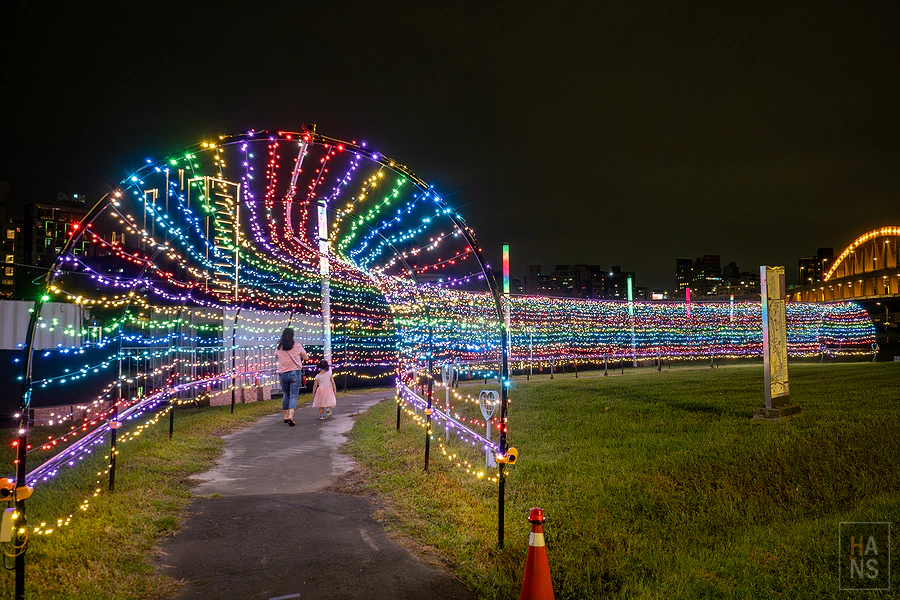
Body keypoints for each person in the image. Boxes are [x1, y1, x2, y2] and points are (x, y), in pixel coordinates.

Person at [275, 327, 308, 426]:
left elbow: (276, 357)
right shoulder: (297, 346)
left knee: (286, 394)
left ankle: (285, 416)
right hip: (294, 372)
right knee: (293, 395)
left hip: (283, 373)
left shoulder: (279, 347)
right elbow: (306, 357)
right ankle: (291, 416)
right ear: (292, 336)